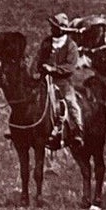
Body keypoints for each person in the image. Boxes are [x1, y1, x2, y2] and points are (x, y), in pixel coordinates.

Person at [35, 13, 85, 149]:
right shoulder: (47, 42)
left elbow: (70, 67)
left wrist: (53, 68)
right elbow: (38, 58)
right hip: (44, 80)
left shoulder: (71, 46)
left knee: (71, 103)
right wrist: (37, 69)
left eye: (54, 27)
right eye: (52, 26)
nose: (52, 29)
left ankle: (77, 131)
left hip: (63, 83)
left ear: (62, 29)